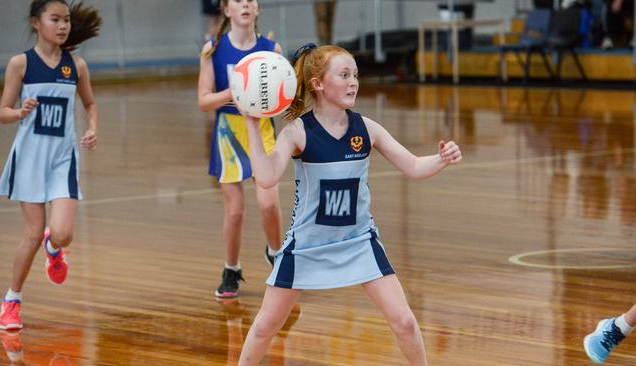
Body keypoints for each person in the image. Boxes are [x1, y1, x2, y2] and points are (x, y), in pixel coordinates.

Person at [236, 43, 462, 365]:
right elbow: (266, 177)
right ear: (318, 83)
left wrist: (441, 159)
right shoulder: (298, 132)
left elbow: (413, 166)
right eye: (344, 75)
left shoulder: (366, 129)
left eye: (355, 74)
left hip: (358, 242)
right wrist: (251, 123)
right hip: (307, 247)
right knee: (265, 327)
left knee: (406, 322)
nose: (354, 81)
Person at [0, 0, 101, 330]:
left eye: (66, 20)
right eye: (55, 19)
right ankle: (12, 301)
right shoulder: (20, 64)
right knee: (30, 233)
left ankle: (53, 247)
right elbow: (2, 112)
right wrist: (19, 113)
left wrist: (92, 127)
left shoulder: (77, 66)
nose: (63, 25)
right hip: (29, 158)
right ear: (36, 23)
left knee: (64, 232)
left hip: (62, 159)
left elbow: (90, 103)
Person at [197, 0, 283, 299]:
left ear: (257, 9)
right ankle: (231, 269)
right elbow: (204, 101)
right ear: (227, 10)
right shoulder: (213, 49)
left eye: (251, 0)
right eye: (238, 0)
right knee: (235, 212)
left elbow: (282, 95)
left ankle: (276, 254)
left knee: (269, 203)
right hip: (229, 132)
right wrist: (232, 92)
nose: (245, 3)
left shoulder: (272, 51)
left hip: (262, 129)